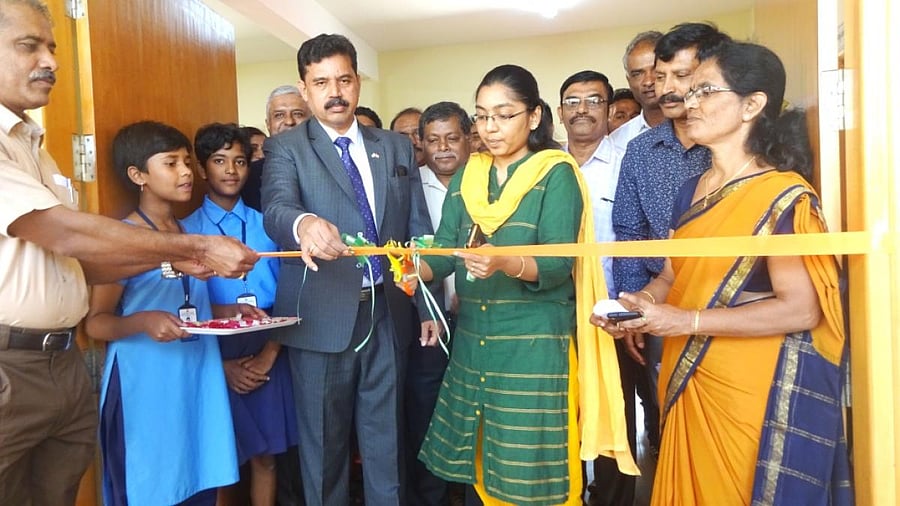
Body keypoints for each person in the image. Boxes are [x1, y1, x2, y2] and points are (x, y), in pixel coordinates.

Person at [0, 3, 255, 504]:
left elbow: (74, 263)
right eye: (29, 46)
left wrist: (173, 260)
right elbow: (61, 232)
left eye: (52, 46)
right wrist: (195, 246)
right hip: (12, 365)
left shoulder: (35, 144)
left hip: (62, 363)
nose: (49, 60)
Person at [594, 41, 853, 506]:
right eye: (688, 91)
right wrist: (639, 305)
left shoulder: (781, 194)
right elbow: (672, 278)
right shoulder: (692, 189)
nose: (688, 102)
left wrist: (686, 322)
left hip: (749, 393)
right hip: (688, 378)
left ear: (752, 104)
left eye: (705, 90)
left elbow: (801, 308)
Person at [415, 64, 636, 506]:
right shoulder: (468, 176)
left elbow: (557, 266)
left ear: (534, 117)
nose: (490, 128)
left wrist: (503, 262)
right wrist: (409, 268)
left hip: (534, 348)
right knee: (479, 462)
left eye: (504, 115)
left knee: (531, 468)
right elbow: (443, 251)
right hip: (475, 344)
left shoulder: (556, 173)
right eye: (482, 116)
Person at [261, 33, 438, 506]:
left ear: (358, 82)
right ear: (305, 88)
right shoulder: (288, 149)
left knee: (387, 447)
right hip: (319, 319)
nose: (334, 92)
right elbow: (276, 209)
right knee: (324, 455)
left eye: (343, 79)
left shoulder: (397, 147)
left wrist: (423, 304)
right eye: (321, 82)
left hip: (388, 314)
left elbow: (416, 229)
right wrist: (304, 222)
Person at [85, 121, 264, 506]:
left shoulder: (186, 232)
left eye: (186, 161)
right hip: (146, 382)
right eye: (171, 163)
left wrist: (232, 310)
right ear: (138, 176)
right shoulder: (123, 238)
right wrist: (143, 322)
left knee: (197, 481)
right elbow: (97, 322)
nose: (186, 172)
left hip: (194, 375)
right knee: (150, 486)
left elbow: (189, 304)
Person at [611, 22, 731, 464]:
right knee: (666, 421)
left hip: (731, 312)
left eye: (681, 76)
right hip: (658, 309)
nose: (664, 88)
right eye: (659, 77)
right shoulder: (641, 151)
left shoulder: (735, 147)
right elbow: (627, 231)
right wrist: (630, 314)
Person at [182, 123, 299, 506]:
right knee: (220, 458)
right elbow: (184, 308)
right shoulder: (187, 232)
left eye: (240, 161)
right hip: (211, 348)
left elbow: (291, 295)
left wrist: (269, 355)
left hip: (268, 342)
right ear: (202, 169)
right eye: (219, 161)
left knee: (266, 456)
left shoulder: (268, 225)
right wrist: (221, 366)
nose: (231, 170)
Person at [556, 69, 635, 506]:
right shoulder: (544, 166)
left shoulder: (629, 163)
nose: (582, 109)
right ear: (558, 112)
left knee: (613, 411)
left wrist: (630, 308)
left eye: (593, 100)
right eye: (572, 101)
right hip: (554, 307)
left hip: (613, 311)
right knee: (563, 410)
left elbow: (639, 239)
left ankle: (612, 499)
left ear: (608, 110)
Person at [406, 101, 472, 506]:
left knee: (472, 413)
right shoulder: (410, 186)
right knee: (426, 412)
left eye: (452, 138)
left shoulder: (487, 183)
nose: (443, 148)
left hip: (477, 319)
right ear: (421, 144)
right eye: (433, 140)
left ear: (469, 139)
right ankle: (430, 497)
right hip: (426, 321)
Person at [242, 85, 311, 211]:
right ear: (268, 124)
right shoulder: (249, 176)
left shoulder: (329, 164)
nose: (289, 121)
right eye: (279, 115)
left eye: (298, 114)